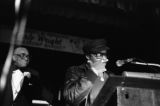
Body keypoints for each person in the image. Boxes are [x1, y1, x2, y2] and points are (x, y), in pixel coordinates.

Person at [63, 39, 111, 106]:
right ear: (88, 56)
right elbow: (71, 98)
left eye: (105, 55)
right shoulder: (75, 71)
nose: (105, 59)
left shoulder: (109, 75)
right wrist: (93, 72)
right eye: (99, 55)